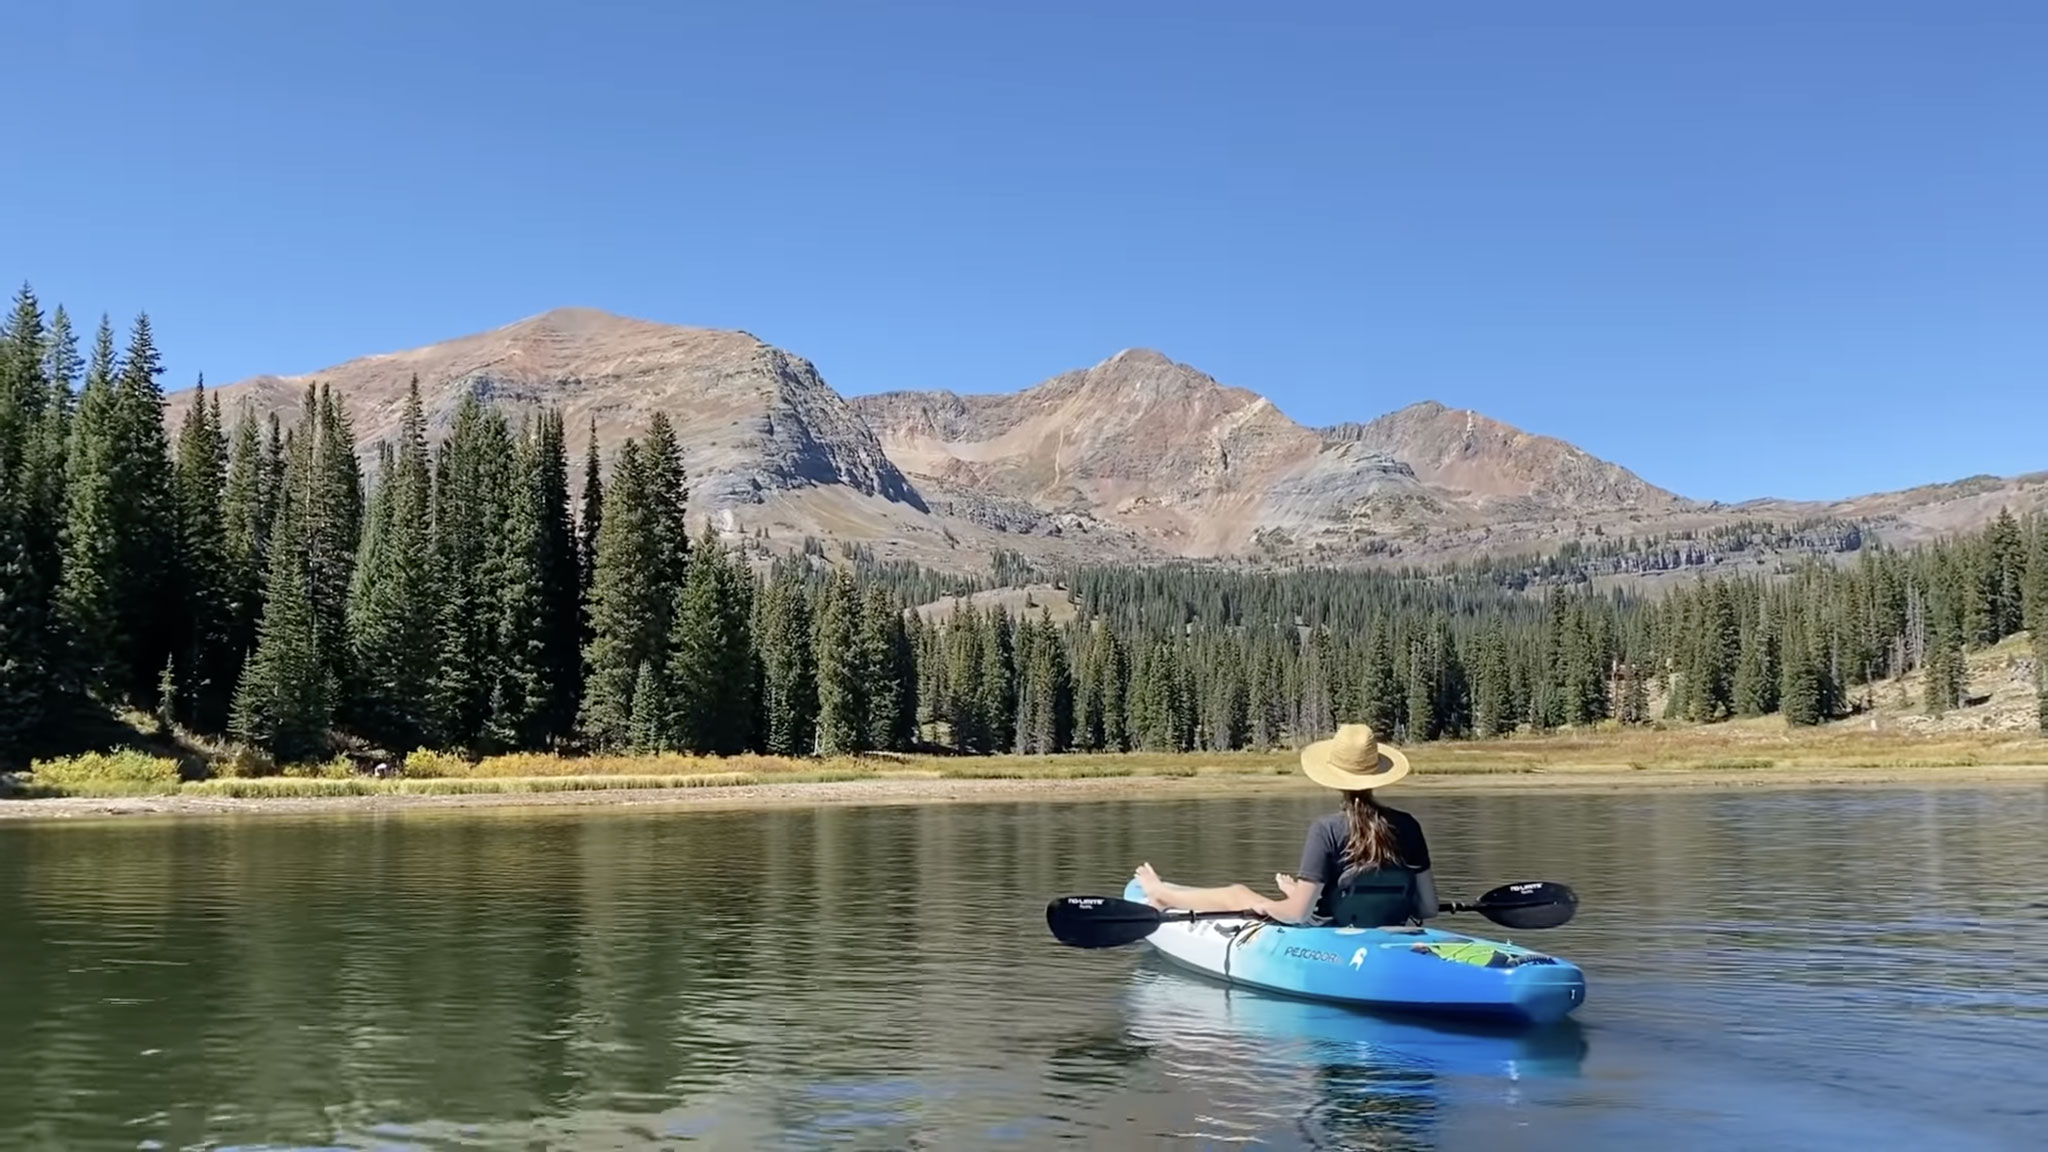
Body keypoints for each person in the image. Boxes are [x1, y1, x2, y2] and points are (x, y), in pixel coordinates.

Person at [1133, 724, 1438, 928]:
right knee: (1291, 896)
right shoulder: (1408, 826)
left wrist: (1268, 905)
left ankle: (1161, 895)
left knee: (1239, 893)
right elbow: (1427, 909)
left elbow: (1298, 915)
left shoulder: (1327, 829)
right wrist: (1303, 894)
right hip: (1388, 931)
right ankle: (1296, 891)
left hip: (1332, 932)